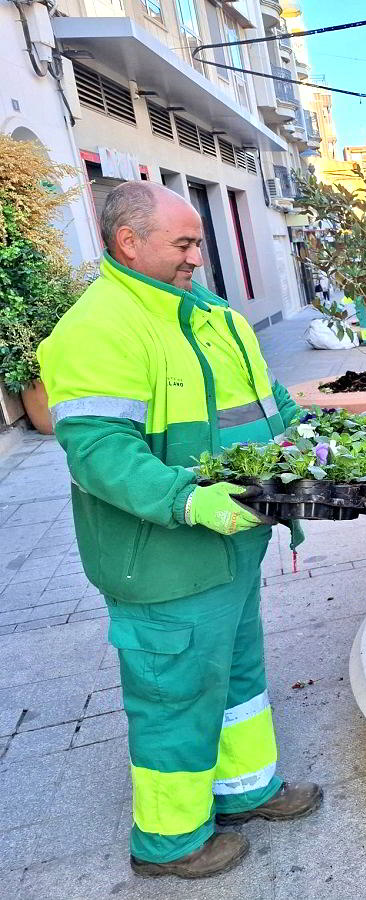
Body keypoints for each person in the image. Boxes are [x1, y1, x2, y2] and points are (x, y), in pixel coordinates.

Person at [37, 182, 322, 879]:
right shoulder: (99, 326)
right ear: (130, 242)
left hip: (233, 544)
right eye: (185, 243)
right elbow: (100, 451)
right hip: (164, 558)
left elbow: (268, 398)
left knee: (238, 677)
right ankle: (170, 841)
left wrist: (309, 435)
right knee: (174, 693)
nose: (198, 256)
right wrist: (188, 502)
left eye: (198, 241)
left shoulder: (208, 314)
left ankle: (244, 790)